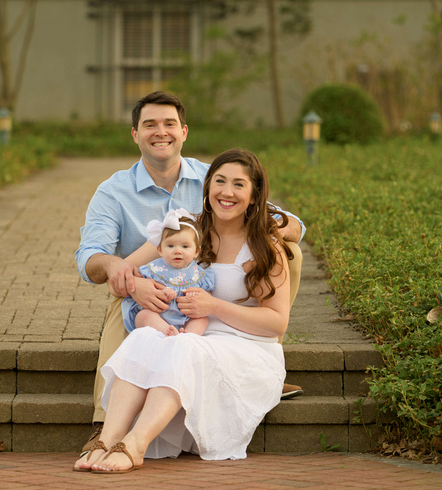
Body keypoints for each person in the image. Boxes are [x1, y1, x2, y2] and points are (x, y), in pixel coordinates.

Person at [74, 91, 305, 469]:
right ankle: (106, 436)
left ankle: (134, 444)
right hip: (171, 312)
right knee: (145, 329)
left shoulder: (246, 220)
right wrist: (130, 280)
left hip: (233, 337)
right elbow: (116, 265)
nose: (225, 192)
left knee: (288, 253)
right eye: (150, 124)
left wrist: (272, 227)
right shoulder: (179, 221)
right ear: (135, 134)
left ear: (183, 132)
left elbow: (294, 228)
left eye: (237, 186)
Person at [122, 208, 215, 337]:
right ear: (160, 250)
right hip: (159, 315)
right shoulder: (154, 269)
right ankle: (166, 331)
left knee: (202, 318)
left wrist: (196, 294)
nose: (177, 251)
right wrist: (161, 292)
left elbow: (207, 297)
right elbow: (143, 287)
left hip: (186, 317)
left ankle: (189, 336)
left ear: (196, 252)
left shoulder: (199, 273)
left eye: (185, 246)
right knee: (143, 316)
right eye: (170, 246)